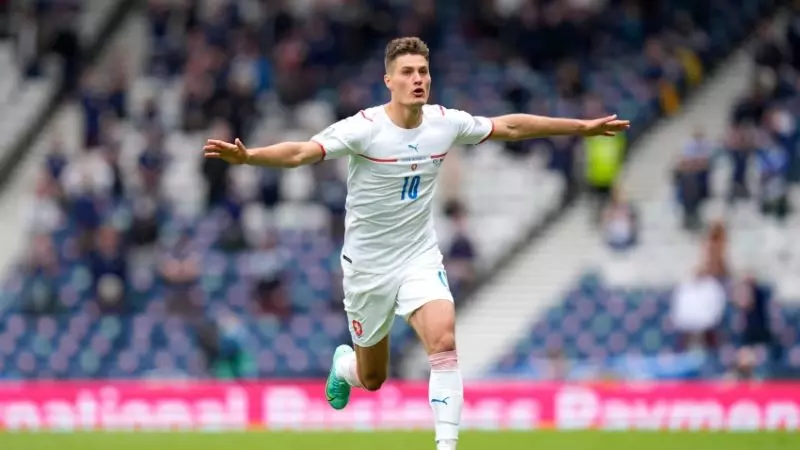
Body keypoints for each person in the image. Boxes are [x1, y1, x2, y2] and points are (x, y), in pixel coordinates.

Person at [203, 37, 629, 450]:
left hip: (418, 256)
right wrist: (250, 157)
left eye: (423, 71)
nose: (418, 79)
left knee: (443, 340)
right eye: (407, 72)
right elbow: (300, 153)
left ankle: (446, 444)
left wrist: (582, 127)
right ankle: (343, 365)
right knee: (373, 378)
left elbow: (511, 126)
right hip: (368, 268)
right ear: (389, 80)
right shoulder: (364, 129)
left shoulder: (444, 122)